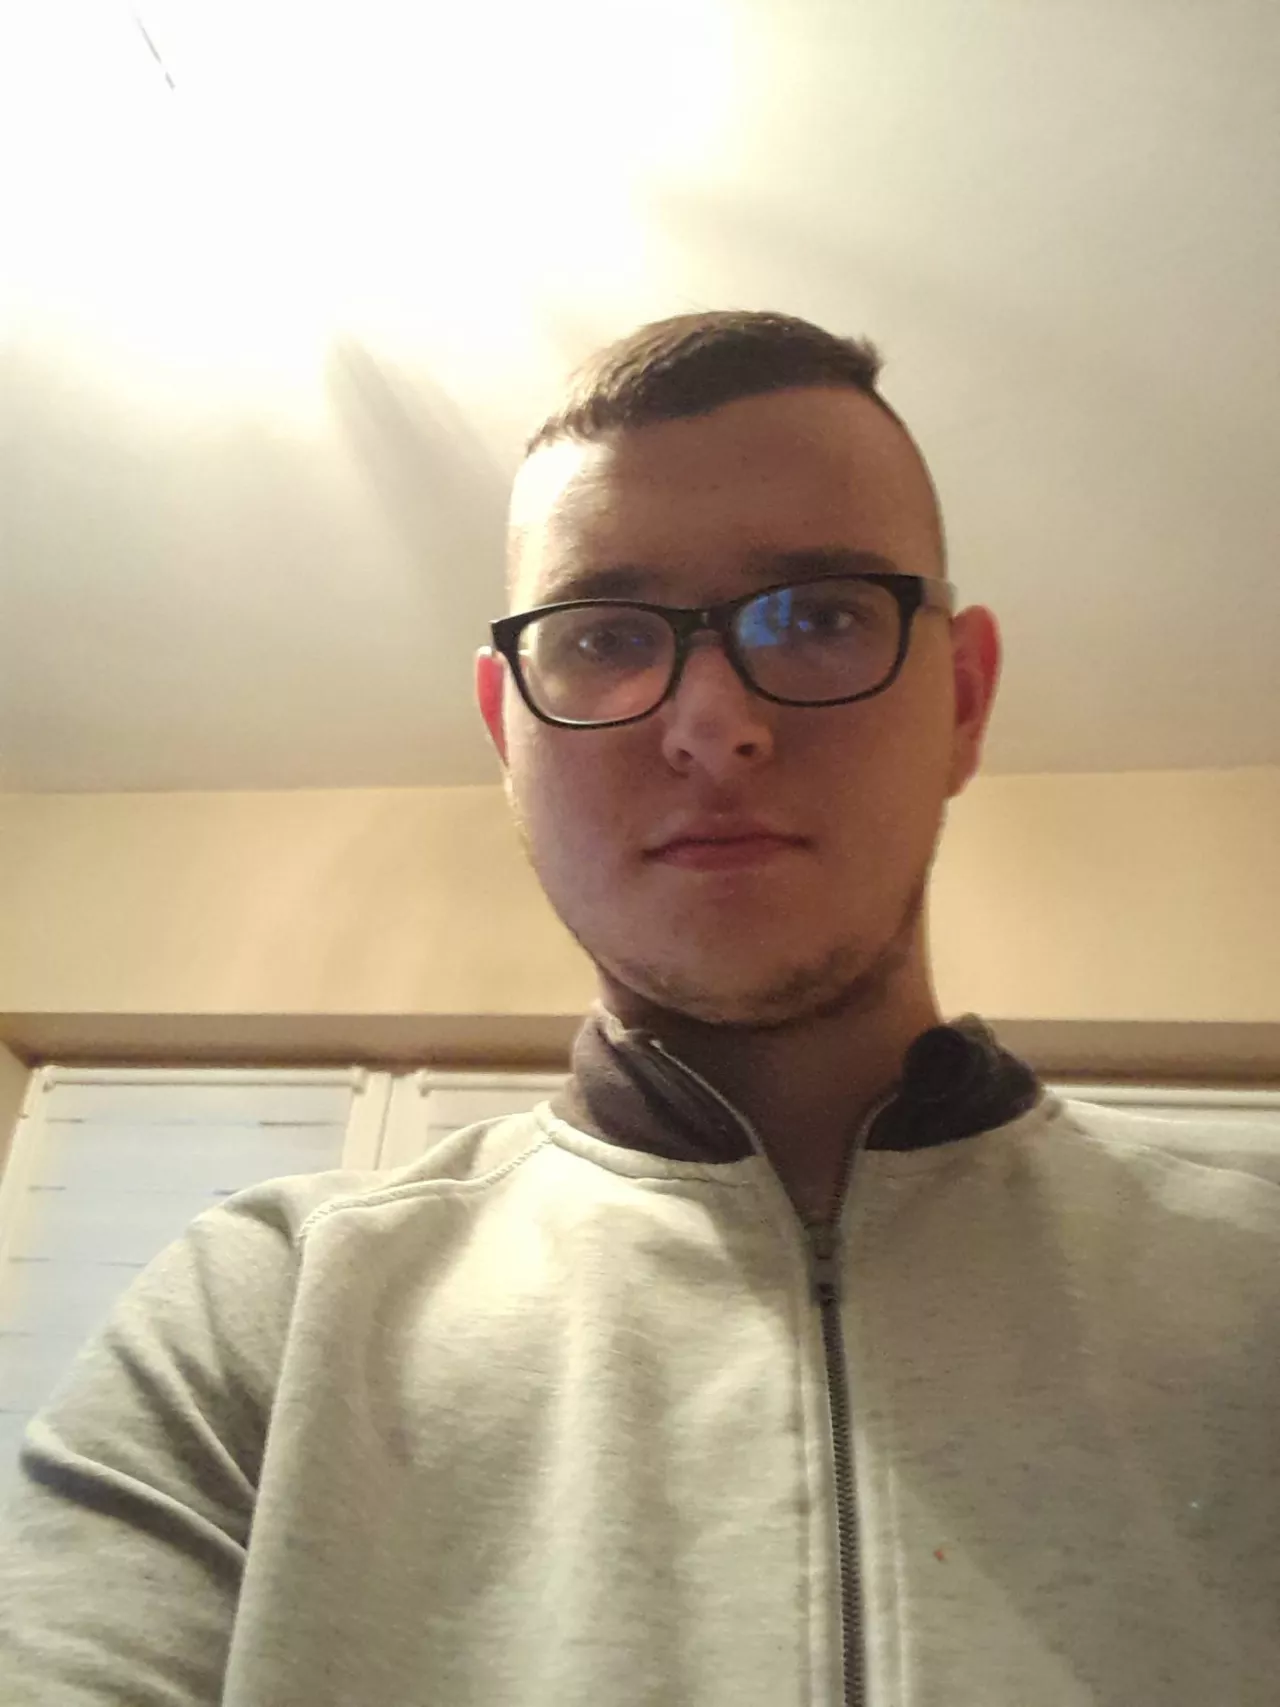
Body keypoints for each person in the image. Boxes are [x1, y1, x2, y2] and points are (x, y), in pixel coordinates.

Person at [1, 310, 1277, 1706]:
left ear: (963, 701)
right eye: (604, 635)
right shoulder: (264, 1314)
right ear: (507, 730)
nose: (713, 722)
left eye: (821, 613)